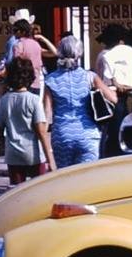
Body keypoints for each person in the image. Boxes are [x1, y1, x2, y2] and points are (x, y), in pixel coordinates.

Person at [44, 34, 116, 167]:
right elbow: (113, 98)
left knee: (65, 179)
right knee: (87, 180)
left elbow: (47, 113)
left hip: (62, 135)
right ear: (79, 54)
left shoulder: (50, 80)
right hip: (88, 135)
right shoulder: (90, 77)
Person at [0, 57, 55, 185]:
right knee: (38, 190)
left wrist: (5, 145)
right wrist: (51, 160)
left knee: (17, 194)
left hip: (13, 154)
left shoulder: (4, 100)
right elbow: (41, 132)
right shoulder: (34, 100)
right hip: (33, 154)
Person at [96, 25, 132, 157]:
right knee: (114, 130)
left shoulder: (106, 55)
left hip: (117, 95)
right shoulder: (106, 56)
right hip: (112, 96)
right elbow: (107, 77)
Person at [10, 18, 45, 93]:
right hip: (36, 82)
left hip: (23, 84)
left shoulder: (19, 45)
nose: (14, 33)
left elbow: (16, 65)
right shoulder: (36, 44)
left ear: (21, 31)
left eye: (15, 30)